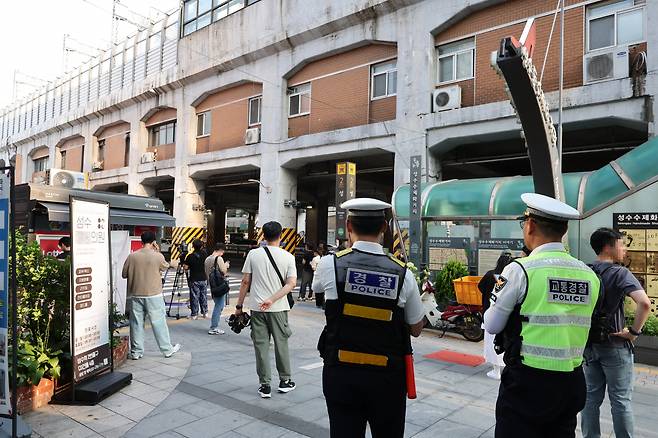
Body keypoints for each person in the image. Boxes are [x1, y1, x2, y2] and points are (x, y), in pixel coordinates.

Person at [484, 193, 601, 438]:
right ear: (564, 229)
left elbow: (492, 325)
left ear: (530, 225)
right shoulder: (589, 275)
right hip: (572, 381)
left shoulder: (519, 270)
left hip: (528, 383)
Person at [314, 198, 425, 438]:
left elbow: (318, 290)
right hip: (387, 380)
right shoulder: (403, 274)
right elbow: (416, 328)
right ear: (384, 227)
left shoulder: (328, 265)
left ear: (349, 226)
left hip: (340, 374)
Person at [581, 227, 651, 438]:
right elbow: (645, 304)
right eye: (621, 244)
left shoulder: (584, 270)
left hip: (589, 346)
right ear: (608, 246)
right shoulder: (620, 273)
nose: (624, 249)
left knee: (590, 398)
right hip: (615, 346)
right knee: (620, 400)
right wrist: (633, 332)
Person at [234, 221, 297, 398]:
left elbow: (245, 281)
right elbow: (291, 284)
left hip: (257, 309)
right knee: (281, 344)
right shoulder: (288, 257)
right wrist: (272, 299)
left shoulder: (253, 254)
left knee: (260, 346)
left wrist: (239, 306)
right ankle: (285, 381)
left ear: (263, 235)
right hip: (278, 309)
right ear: (281, 235)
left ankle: (265, 385)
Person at [122, 231, 181, 359]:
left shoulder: (132, 256)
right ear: (154, 242)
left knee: (136, 323)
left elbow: (124, 274)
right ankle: (167, 350)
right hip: (154, 294)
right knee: (158, 322)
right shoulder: (157, 256)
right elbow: (166, 266)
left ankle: (136, 352)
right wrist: (158, 251)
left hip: (136, 294)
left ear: (141, 241)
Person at [478, 251, 514, 380]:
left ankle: (496, 370)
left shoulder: (490, 275)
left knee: (491, 342)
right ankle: (501, 367)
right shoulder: (507, 277)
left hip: (489, 313)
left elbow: (480, 287)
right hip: (505, 315)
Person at [205, 242, 230, 335]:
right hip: (219, 285)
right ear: (220, 250)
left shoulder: (207, 259)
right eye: (223, 251)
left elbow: (207, 273)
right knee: (218, 306)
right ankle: (213, 327)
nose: (223, 253)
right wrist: (226, 265)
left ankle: (215, 325)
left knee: (218, 304)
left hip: (212, 285)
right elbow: (224, 271)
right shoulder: (219, 258)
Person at [183, 239, 208, 320]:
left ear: (193, 246)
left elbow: (186, 268)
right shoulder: (205, 254)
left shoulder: (190, 256)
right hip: (203, 278)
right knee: (203, 296)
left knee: (194, 296)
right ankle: (205, 312)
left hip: (194, 279)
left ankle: (194, 314)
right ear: (201, 246)